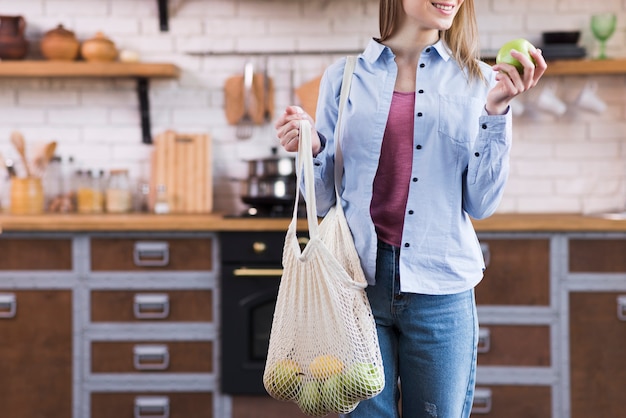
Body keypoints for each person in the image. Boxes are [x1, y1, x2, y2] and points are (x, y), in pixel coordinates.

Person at [275, 0, 546, 417]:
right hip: (355, 285)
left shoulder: (478, 81)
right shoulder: (343, 78)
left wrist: (496, 111)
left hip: (441, 288)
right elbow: (325, 199)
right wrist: (312, 150)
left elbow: (481, 202)